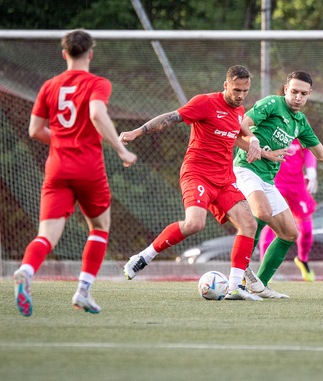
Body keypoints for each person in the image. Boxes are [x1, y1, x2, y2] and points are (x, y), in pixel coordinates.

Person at [13, 29, 138, 317]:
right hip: (88, 168)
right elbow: (96, 113)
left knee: (46, 235)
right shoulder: (97, 83)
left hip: (56, 168)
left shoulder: (50, 85)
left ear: (64, 54)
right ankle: (82, 291)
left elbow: (35, 130)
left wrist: (61, 140)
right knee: (98, 227)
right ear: (90, 54)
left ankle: (26, 271)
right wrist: (121, 149)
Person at [120, 65, 263, 301]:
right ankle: (143, 257)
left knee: (249, 224)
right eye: (236, 90)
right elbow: (170, 118)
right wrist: (138, 131)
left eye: (245, 91)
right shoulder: (205, 103)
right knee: (195, 224)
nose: (240, 95)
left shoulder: (239, 109)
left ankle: (236, 287)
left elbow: (239, 128)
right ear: (226, 85)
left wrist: (255, 140)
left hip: (225, 179)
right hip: (197, 173)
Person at [233, 71, 323, 298]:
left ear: (309, 95)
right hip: (246, 169)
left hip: (267, 179)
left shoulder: (301, 123)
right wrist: (254, 141)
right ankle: (239, 274)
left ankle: (260, 285)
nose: (298, 97)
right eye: (294, 91)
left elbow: (322, 153)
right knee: (262, 213)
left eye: (303, 94)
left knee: (289, 233)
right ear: (286, 89)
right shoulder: (272, 103)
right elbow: (242, 123)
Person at [259, 137, 318, 282]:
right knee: (270, 224)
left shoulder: (300, 121)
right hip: (275, 182)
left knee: (306, 228)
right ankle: (264, 269)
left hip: (298, 184)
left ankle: (302, 259)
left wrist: (311, 171)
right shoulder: (272, 119)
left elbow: (310, 147)